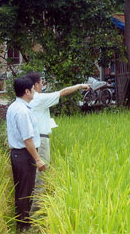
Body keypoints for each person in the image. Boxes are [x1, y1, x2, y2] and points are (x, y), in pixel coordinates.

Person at [24, 72, 89, 210]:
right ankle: (35, 214)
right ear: (35, 85)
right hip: (41, 140)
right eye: (41, 82)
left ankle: (27, 212)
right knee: (40, 176)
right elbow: (62, 92)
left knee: (32, 176)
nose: (43, 85)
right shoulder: (39, 98)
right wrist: (79, 86)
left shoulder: (25, 100)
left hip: (32, 140)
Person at [6, 76, 46, 232]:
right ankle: (24, 226)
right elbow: (27, 139)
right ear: (27, 91)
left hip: (17, 154)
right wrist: (38, 159)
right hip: (24, 154)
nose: (35, 91)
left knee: (21, 189)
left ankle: (21, 223)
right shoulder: (23, 111)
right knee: (26, 191)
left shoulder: (13, 107)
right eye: (32, 89)